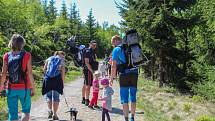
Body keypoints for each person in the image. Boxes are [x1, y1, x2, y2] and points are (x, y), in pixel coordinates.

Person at [0, 34, 35, 121]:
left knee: (12, 113)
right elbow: (30, 73)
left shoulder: (6, 56)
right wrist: (33, 88)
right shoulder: (27, 55)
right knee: (25, 111)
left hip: (11, 88)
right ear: (22, 44)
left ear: (11, 43)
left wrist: (1, 87)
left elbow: (3, 74)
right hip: (25, 88)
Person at [109, 35, 139, 121]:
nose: (113, 45)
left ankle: (126, 119)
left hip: (123, 75)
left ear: (115, 41)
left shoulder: (117, 49)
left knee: (124, 98)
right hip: (134, 73)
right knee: (133, 96)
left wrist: (111, 78)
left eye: (112, 43)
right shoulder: (132, 47)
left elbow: (113, 66)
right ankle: (132, 118)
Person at [42, 51, 65, 120]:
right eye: (62, 55)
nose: (63, 57)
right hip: (57, 80)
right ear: (58, 54)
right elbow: (63, 72)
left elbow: (44, 70)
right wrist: (62, 82)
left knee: (48, 96)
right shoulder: (61, 61)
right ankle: (55, 114)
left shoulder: (48, 59)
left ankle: (50, 110)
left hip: (48, 79)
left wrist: (46, 77)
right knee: (56, 97)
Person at [81, 40, 98, 106]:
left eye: (95, 45)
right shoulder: (88, 51)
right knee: (88, 85)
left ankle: (83, 98)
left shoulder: (92, 51)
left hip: (88, 69)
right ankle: (87, 100)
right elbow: (87, 62)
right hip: (88, 70)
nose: (94, 46)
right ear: (90, 44)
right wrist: (92, 71)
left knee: (85, 84)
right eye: (93, 45)